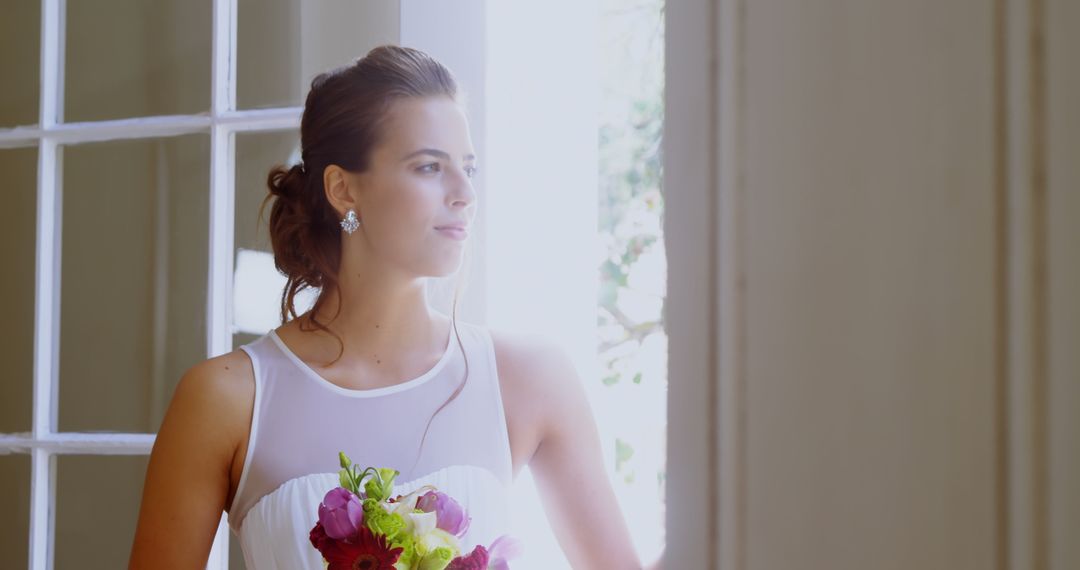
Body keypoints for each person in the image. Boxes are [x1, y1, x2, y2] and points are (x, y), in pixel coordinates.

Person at [129, 45, 645, 569]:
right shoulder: (227, 400)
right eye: (429, 167)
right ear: (343, 188)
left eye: (468, 167)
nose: (465, 192)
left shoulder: (528, 378)